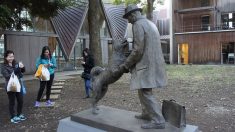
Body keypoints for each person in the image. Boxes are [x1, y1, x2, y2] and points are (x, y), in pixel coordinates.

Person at [119, 5, 168, 129]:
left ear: (133, 14)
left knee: (145, 91)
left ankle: (158, 120)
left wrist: (126, 64)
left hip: (145, 65)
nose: (128, 21)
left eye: (128, 17)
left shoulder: (138, 25)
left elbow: (137, 50)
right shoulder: (150, 23)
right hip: (153, 63)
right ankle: (147, 113)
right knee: (143, 89)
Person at [1, 50, 27, 123]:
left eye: (12, 56)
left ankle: (19, 114)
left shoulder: (15, 63)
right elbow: (7, 76)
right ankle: (13, 117)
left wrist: (22, 67)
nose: (11, 58)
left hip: (18, 85)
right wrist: (17, 69)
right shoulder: (3, 66)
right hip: (10, 86)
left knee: (20, 100)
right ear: (6, 57)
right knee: (12, 102)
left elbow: (22, 71)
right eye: (9, 57)